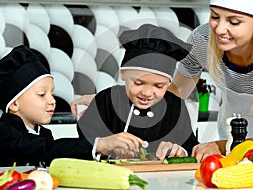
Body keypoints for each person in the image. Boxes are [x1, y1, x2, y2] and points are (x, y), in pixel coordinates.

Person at [72, 0, 253, 161]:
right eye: (215, 16)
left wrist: (218, 146)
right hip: (231, 131)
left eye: (234, 22)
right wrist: (113, 99)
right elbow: (172, 93)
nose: (220, 29)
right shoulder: (203, 40)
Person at [77, 24, 199, 160]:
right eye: (138, 83)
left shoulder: (175, 105)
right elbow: (84, 143)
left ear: (168, 83)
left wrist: (179, 150)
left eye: (159, 86)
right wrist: (109, 148)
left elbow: (191, 145)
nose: (147, 93)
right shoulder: (106, 100)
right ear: (123, 74)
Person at [0, 45, 125, 167]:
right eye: (42, 94)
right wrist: (99, 144)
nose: (52, 101)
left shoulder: (44, 133)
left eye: (52, 94)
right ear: (14, 103)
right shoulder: (5, 133)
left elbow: (57, 156)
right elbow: (44, 150)